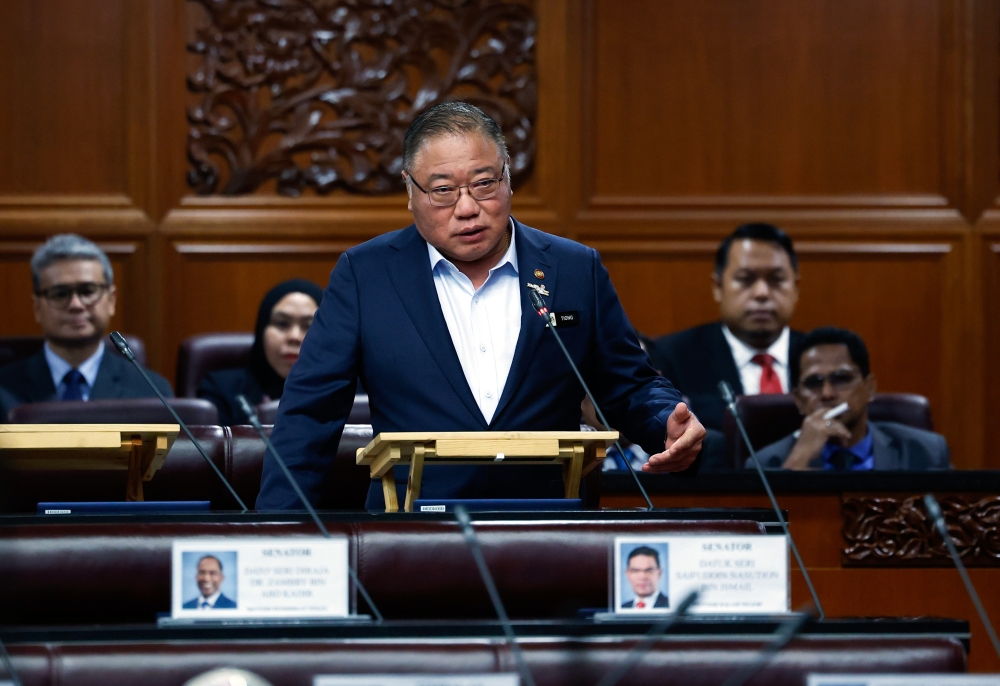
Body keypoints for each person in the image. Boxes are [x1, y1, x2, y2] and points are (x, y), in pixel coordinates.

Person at [256, 102, 706, 511]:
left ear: (508, 176)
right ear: (410, 191)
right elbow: (310, 415)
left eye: (484, 184)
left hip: (550, 530)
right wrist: (275, 536)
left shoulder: (573, 269)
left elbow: (627, 383)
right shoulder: (367, 275)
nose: (468, 208)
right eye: (443, 191)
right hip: (410, 538)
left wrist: (666, 421)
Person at [650, 224, 804, 433]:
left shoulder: (821, 358)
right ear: (718, 288)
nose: (762, 293)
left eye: (776, 279)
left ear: (795, 288)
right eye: (745, 279)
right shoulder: (674, 357)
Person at [0, 234, 172, 420]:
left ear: (111, 300)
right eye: (60, 294)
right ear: (37, 308)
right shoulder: (4, 390)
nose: (76, 305)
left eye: (88, 291)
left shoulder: (152, 392)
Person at [754, 327, 950, 471]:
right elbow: (772, 525)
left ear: (869, 388)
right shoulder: (765, 464)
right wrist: (799, 460)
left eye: (841, 379)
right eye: (814, 383)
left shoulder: (926, 453)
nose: (827, 393)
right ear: (798, 400)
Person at [197, 279, 325, 425]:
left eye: (309, 326)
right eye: (282, 323)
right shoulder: (221, 390)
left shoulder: (351, 391)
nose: (294, 337)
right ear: (261, 329)